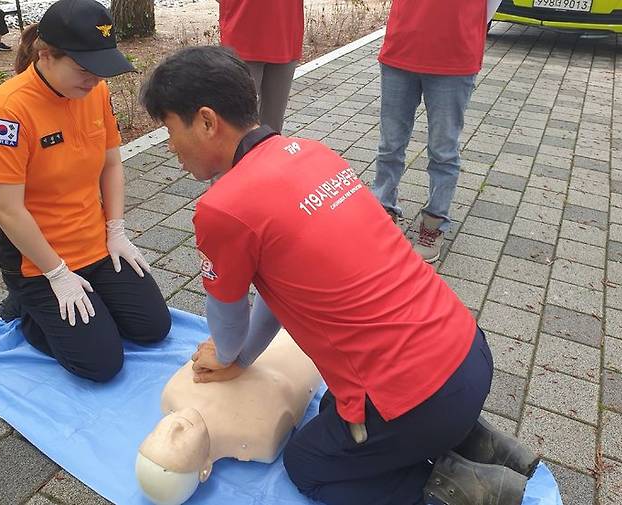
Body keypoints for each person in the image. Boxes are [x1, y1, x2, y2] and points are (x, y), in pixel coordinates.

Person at [140, 46, 538, 505]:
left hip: (418, 401)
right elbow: (278, 289)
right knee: (334, 408)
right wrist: (244, 357)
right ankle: (477, 440)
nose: (170, 147)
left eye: (170, 130)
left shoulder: (223, 207)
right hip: (469, 353)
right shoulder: (312, 153)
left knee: (308, 463)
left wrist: (229, 355)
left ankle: (467, 486)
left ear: (207, 121)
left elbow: (226, 329)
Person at [0, 0, 171, 382]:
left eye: (101, 72)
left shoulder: (91, 91)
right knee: (100, 363)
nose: (95, 80)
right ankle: (27, 310)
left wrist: (116, 230)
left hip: (94, 241)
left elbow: (111, 164)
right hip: (37, 259)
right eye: (85, 70)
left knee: (152, 328)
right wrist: (57, 273)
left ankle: (86, 300)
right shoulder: (7, 112)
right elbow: (6, 210)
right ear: (45, 55)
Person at [136, 329, 322, 505]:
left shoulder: (171, 393)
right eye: (176, 446)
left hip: (268, 321)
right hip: (311, 340)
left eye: (155, 436)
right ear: (205, 470)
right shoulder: (261, 435)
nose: (172, 428)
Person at [372, 0, 487, 263]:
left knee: (443, 150)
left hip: (455, 55)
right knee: (390, 144)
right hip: (401, 49)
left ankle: (434, 222)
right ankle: (383, 210)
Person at [216, 0, 303, 132]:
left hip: (285, 33)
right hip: (242, 36)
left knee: (273, 125)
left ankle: (266, 152)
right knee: (237, 121)